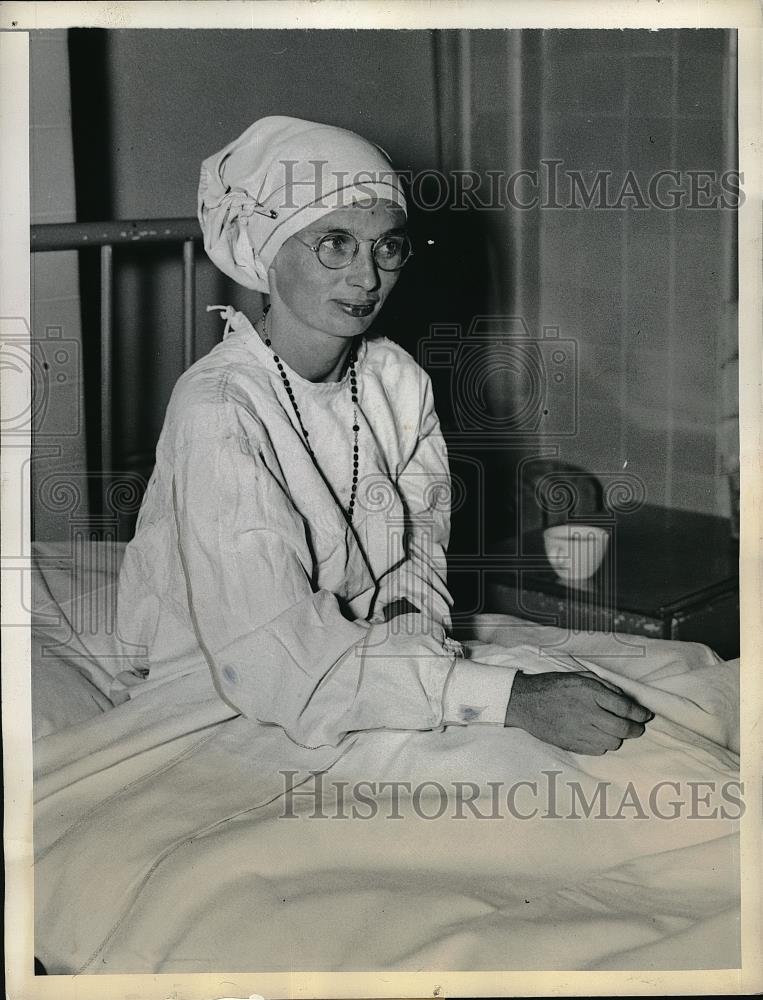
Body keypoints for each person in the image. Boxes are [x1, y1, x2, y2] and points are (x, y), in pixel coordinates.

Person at [115, 115, 652, 755]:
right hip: (229, 695)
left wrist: (416, 640)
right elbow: (271, 654)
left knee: (653, 706)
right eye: (335, 243)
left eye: (387, 247)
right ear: (265, 248)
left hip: (374, 664)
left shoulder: (395, 379)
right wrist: (508, 699)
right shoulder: (220, 409)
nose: (367, 278)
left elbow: (418, 553)